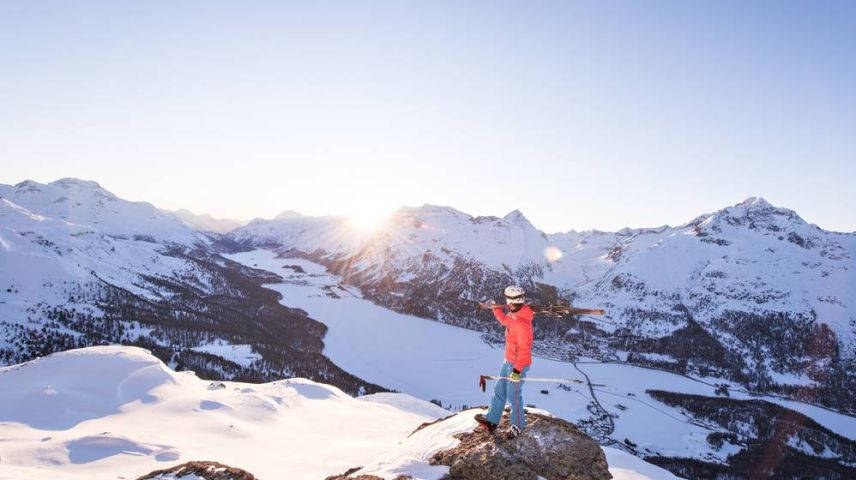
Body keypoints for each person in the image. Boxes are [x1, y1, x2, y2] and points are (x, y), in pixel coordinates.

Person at [475, 285, 534, 439]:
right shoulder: (514, 315)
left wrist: (517, 370)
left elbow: (525, 351)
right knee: (499, 391)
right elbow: (504, 320)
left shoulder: (522, 323)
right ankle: (492, 420)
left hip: (517, 365)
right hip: (508, 361)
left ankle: (518, 425)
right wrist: (495, 307)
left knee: (513, 396)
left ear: (510, 300)